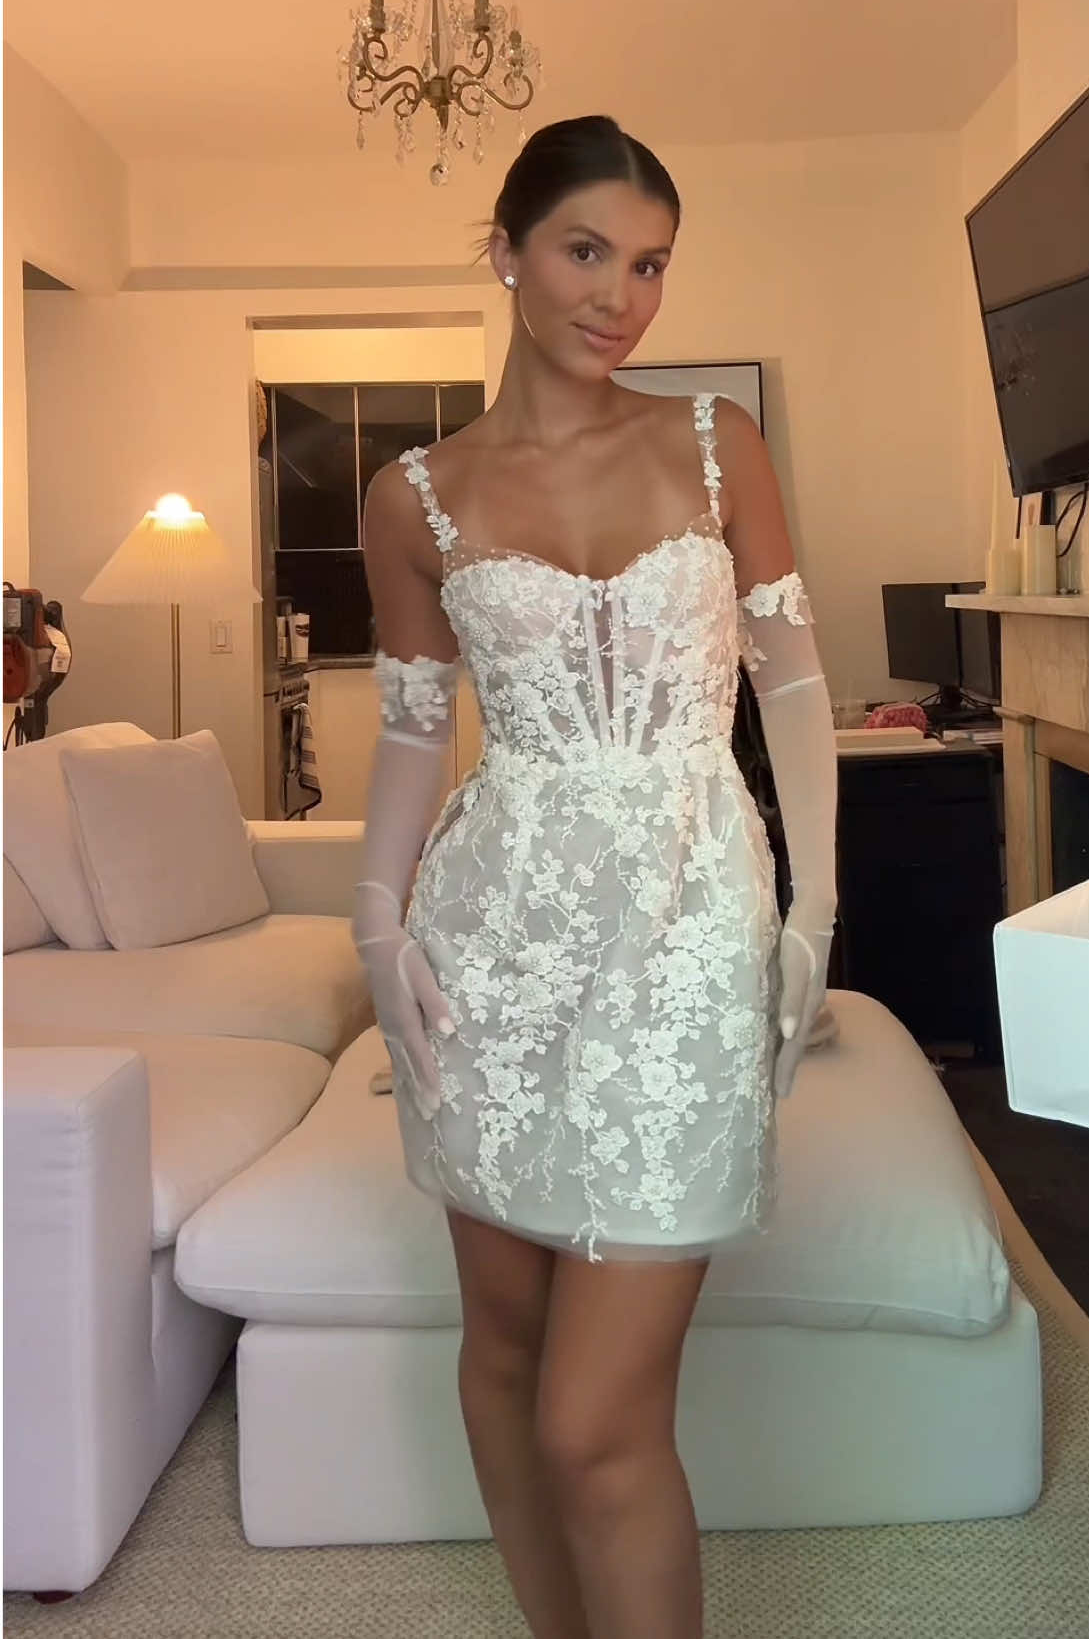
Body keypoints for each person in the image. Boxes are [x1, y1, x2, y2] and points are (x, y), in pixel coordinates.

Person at [354, 114, 838, 1639]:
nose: (620, 296)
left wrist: (813, 909)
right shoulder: (412, 496)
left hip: (687, 921)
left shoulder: (713, 442)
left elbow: (793, 683)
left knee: (593, 1420)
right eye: (585, 251)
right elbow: (413, 731)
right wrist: (374, 922)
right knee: (502, 1355)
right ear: (502, 251)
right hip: (488, 936)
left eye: (649, 265)